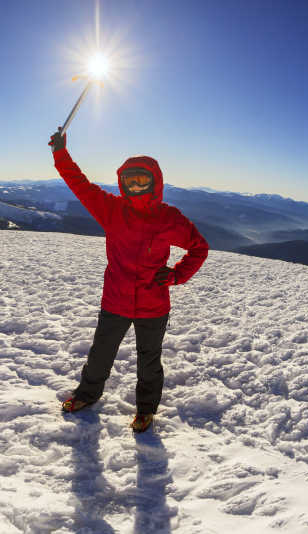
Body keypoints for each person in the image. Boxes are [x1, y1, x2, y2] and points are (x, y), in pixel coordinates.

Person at [49, 127, 209, 433]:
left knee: (150, 361)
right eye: (129, 180)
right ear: (121, 182)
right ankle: (86, 395)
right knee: (101, 353)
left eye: (142, 180)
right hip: (115, 301)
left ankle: (145, 410)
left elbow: (199, 247)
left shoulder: (168, 217)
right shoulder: (111, 210)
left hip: (154, 305)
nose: (135, 186)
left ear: (154, 182)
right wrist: (60, 153)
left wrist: (176, 275)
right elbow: (80, 185)